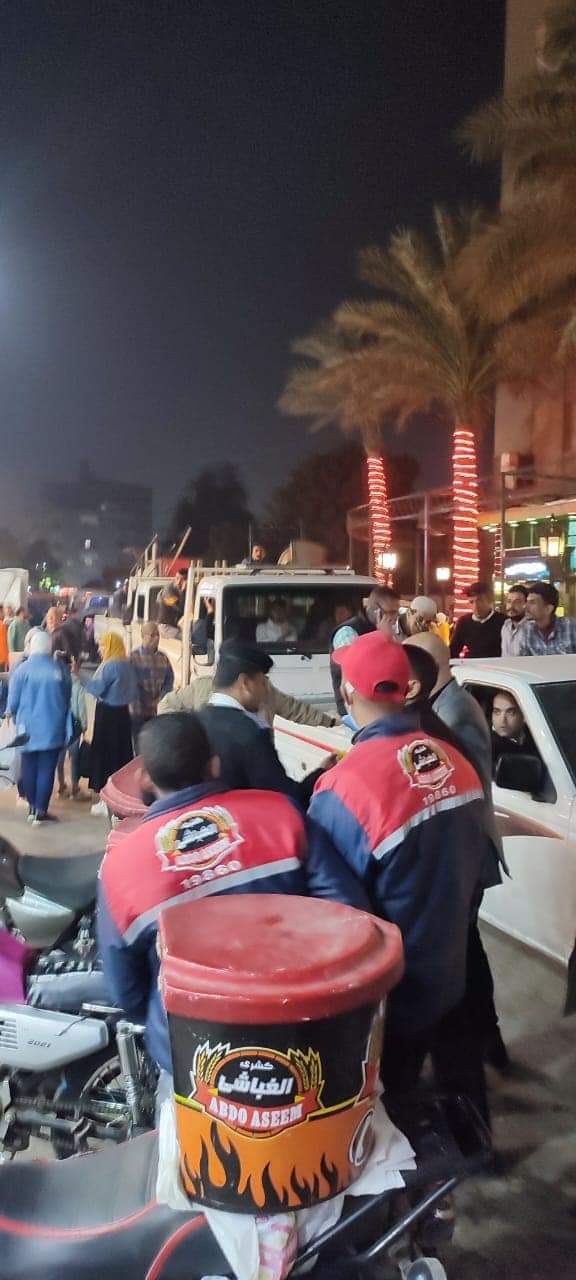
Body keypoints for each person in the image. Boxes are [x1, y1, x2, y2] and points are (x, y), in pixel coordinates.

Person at [97, 713, 369, 1071]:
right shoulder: (280, 814)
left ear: (144, 777)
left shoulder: (121, 867)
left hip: (191, 1054)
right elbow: (348, 912)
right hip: (297, 1033)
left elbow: (126, 990)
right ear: (214, 765)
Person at [309, 631, 491, 1119]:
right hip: (450, 967)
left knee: (392, 1110)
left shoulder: (344, 787)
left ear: (348, 692)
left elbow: (335, 910)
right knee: (457, 1089)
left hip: (392, 993)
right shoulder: (454, 760)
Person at [404, 634, 509, 1072]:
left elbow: (464, 790)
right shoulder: (444, 704)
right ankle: (487, 1041)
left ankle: (483, 1041)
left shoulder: (454, 712)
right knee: (466, 946)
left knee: (462, 950)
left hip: (468, 851)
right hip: (462, 853)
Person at [197, 641, 323, 801]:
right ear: (245, 683)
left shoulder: (196, 721)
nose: (265, 692)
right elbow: (285, 797)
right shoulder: (250, 733)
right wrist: (322, 773)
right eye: (263, 683)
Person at [7, 631, 71, 824]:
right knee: (46, 769)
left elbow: (13, 703)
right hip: (53, 728)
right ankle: (41, 812)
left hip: (26, 729)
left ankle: (32, 808)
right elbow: (67, 695)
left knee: (28, 768)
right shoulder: (59, 669)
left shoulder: (22, 670)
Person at [158, 671, 338, 728]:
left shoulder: (265, 691)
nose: (263, 682)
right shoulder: (203, 687)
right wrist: (189, 731)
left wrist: (329, 722)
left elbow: (294, 709)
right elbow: (166, 705)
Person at [85, 633, 139, 816]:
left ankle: (105, 801)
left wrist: (79, 676)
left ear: (110, 646)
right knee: (120, 756)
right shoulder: (127, 665)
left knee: (105, 755)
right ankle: (119, 798)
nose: (100, 649)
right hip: (123, 715)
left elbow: (97, 689)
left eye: (103, 645)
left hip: (107, 715)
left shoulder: (110, 665)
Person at [330, 585, 401, 715]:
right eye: (391, 612)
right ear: (377, 612)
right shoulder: (348, 631)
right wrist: (383, 639)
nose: (395, 618)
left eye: (397, 612)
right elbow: (358, 668)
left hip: (379, 707)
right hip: (356, 709)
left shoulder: (385, 631)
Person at [129, 622, 174, 744]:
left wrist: (162, 698)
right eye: (153, 635)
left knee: (154, 744)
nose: (157, 638)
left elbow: (169, 681)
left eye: (158, 634)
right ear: (143, 636)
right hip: (137, 711)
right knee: (140, 745)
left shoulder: (163, 658)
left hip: (156, 711)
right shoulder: (133, 657)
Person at [516, 581, 576, 654]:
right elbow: (523, 659)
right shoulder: (527, 630)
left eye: (532, 602)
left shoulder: (571, 627)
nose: (525, 606)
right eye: (527, 602)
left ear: (548, 609)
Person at [449, 582, 505, 659]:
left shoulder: (503, 621)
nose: (476, 606)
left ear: (490, 600)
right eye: (471, 602)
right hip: (471, 664)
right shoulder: (464, 622)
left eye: (480, 600)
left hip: (496, 664)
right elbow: (453, 650)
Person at [57, 663, 88, 799]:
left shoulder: (56, 683)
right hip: (74, 726)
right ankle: (75, 787)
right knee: (74, 758)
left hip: (59, 726)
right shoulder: (77, 684)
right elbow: (81, 707)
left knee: (59, 759)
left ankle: (61, 786)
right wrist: (85, 725)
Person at [491, 689, 536, 765]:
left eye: (510, 712)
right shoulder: (488, 747)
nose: (502, 720)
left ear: (524, 716)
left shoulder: (537, 738)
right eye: (497, 712)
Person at [500, 584, 528, 656]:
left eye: (517, 602)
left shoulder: (532, 628)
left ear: (526, 604)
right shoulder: (506, 626)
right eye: (509, 601)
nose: (511, 606)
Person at [156, 570, 187, 636]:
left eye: (182, 579)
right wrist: (182, 592)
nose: (178, 582)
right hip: (166, 626)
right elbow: (179, 608)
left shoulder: (182, 589)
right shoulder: (169, 589)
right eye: (177, 578)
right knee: (187, 638)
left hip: (175, 626)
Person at [0, 606, 8, 673]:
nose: (3, 614)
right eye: (2, 612)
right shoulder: (2, 626)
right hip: (2, 658)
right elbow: (5, 643)